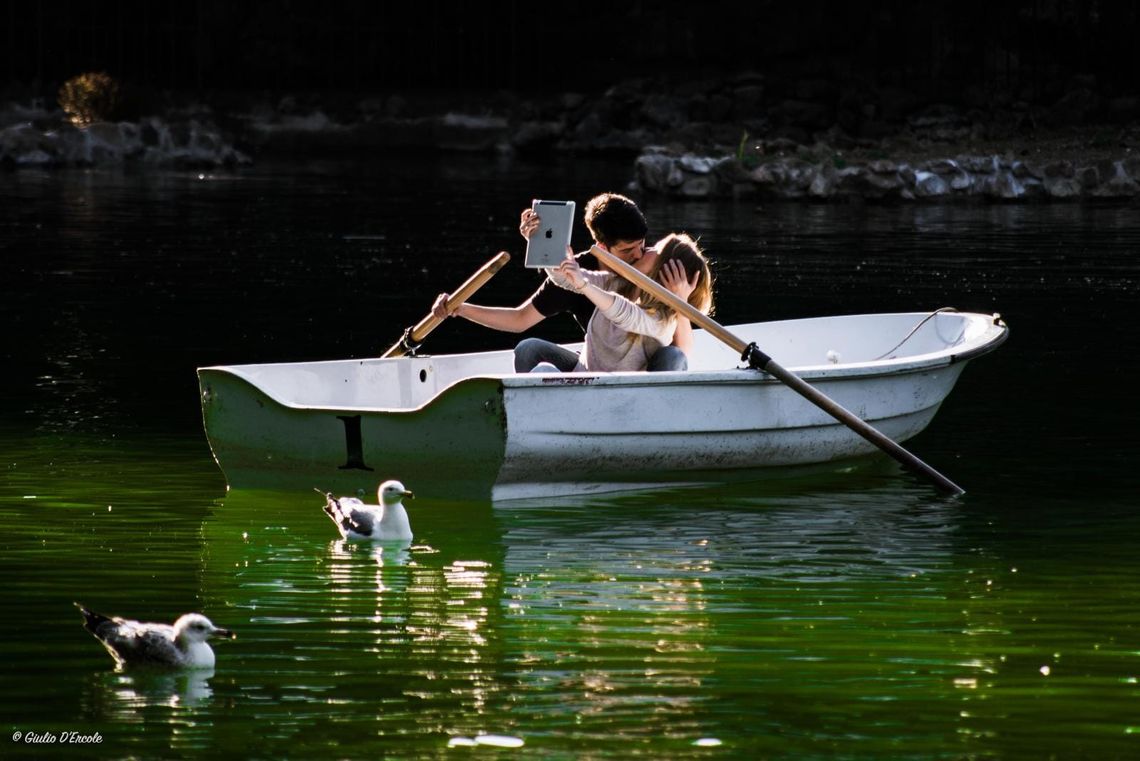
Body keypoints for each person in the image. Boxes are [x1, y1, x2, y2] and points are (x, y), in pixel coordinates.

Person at [430, 192, 693, 372]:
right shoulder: (579, 270)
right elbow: (520, 319)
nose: (638, 255)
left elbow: (682, 350)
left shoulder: (651, 263)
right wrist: (460, 308)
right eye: (627, 251)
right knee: (529, 349)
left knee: (674, 356)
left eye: (641, 245)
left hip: (646, 374)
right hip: (596, 369)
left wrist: (681, 304)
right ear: (602, 247)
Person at [534, 232, 713, 372]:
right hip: (584, 380)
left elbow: (623, 312)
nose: (644, 250)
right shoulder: (616, 282)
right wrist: (541, 241)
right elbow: (563, 278)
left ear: (665, 272)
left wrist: (583, 284)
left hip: (622, 395)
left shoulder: (662, 322)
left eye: (654, 251)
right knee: (529, 349)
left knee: (674, 355)